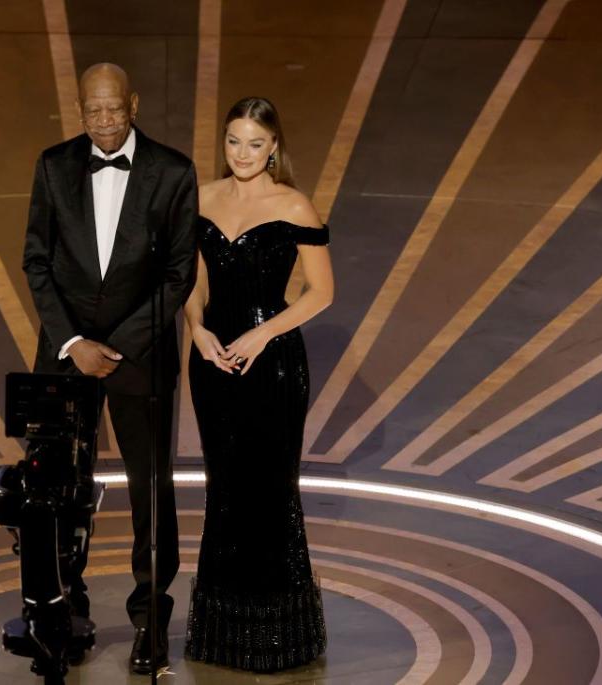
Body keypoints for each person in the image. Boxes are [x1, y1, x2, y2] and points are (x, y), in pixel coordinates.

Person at [22, 62, 198, 675]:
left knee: (152, 490)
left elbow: (180, 274)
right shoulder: (52, 165)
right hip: (66, 356)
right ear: (79, 110)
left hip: (138, 357)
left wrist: (116, 346)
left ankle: (151, 619)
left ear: (135, 104)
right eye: (91, 111)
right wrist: (74, 342)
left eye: (112, 109)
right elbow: (37, 263)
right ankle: (66, 612)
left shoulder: (172, 172)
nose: (102, 122)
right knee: (58, 489)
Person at [183, 96, 333, 671]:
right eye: (233, 141)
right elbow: (194, 282)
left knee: (268, 491)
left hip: (271, 366)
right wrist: (197, 328)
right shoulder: (203, 198)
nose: (242, 154)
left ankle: (278, 640)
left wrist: (260, 335)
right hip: (213, 360)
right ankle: (224, 637)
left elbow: (321, 294)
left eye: (254, 143)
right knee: (225, 489)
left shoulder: (294, 205)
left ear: (274, 147)